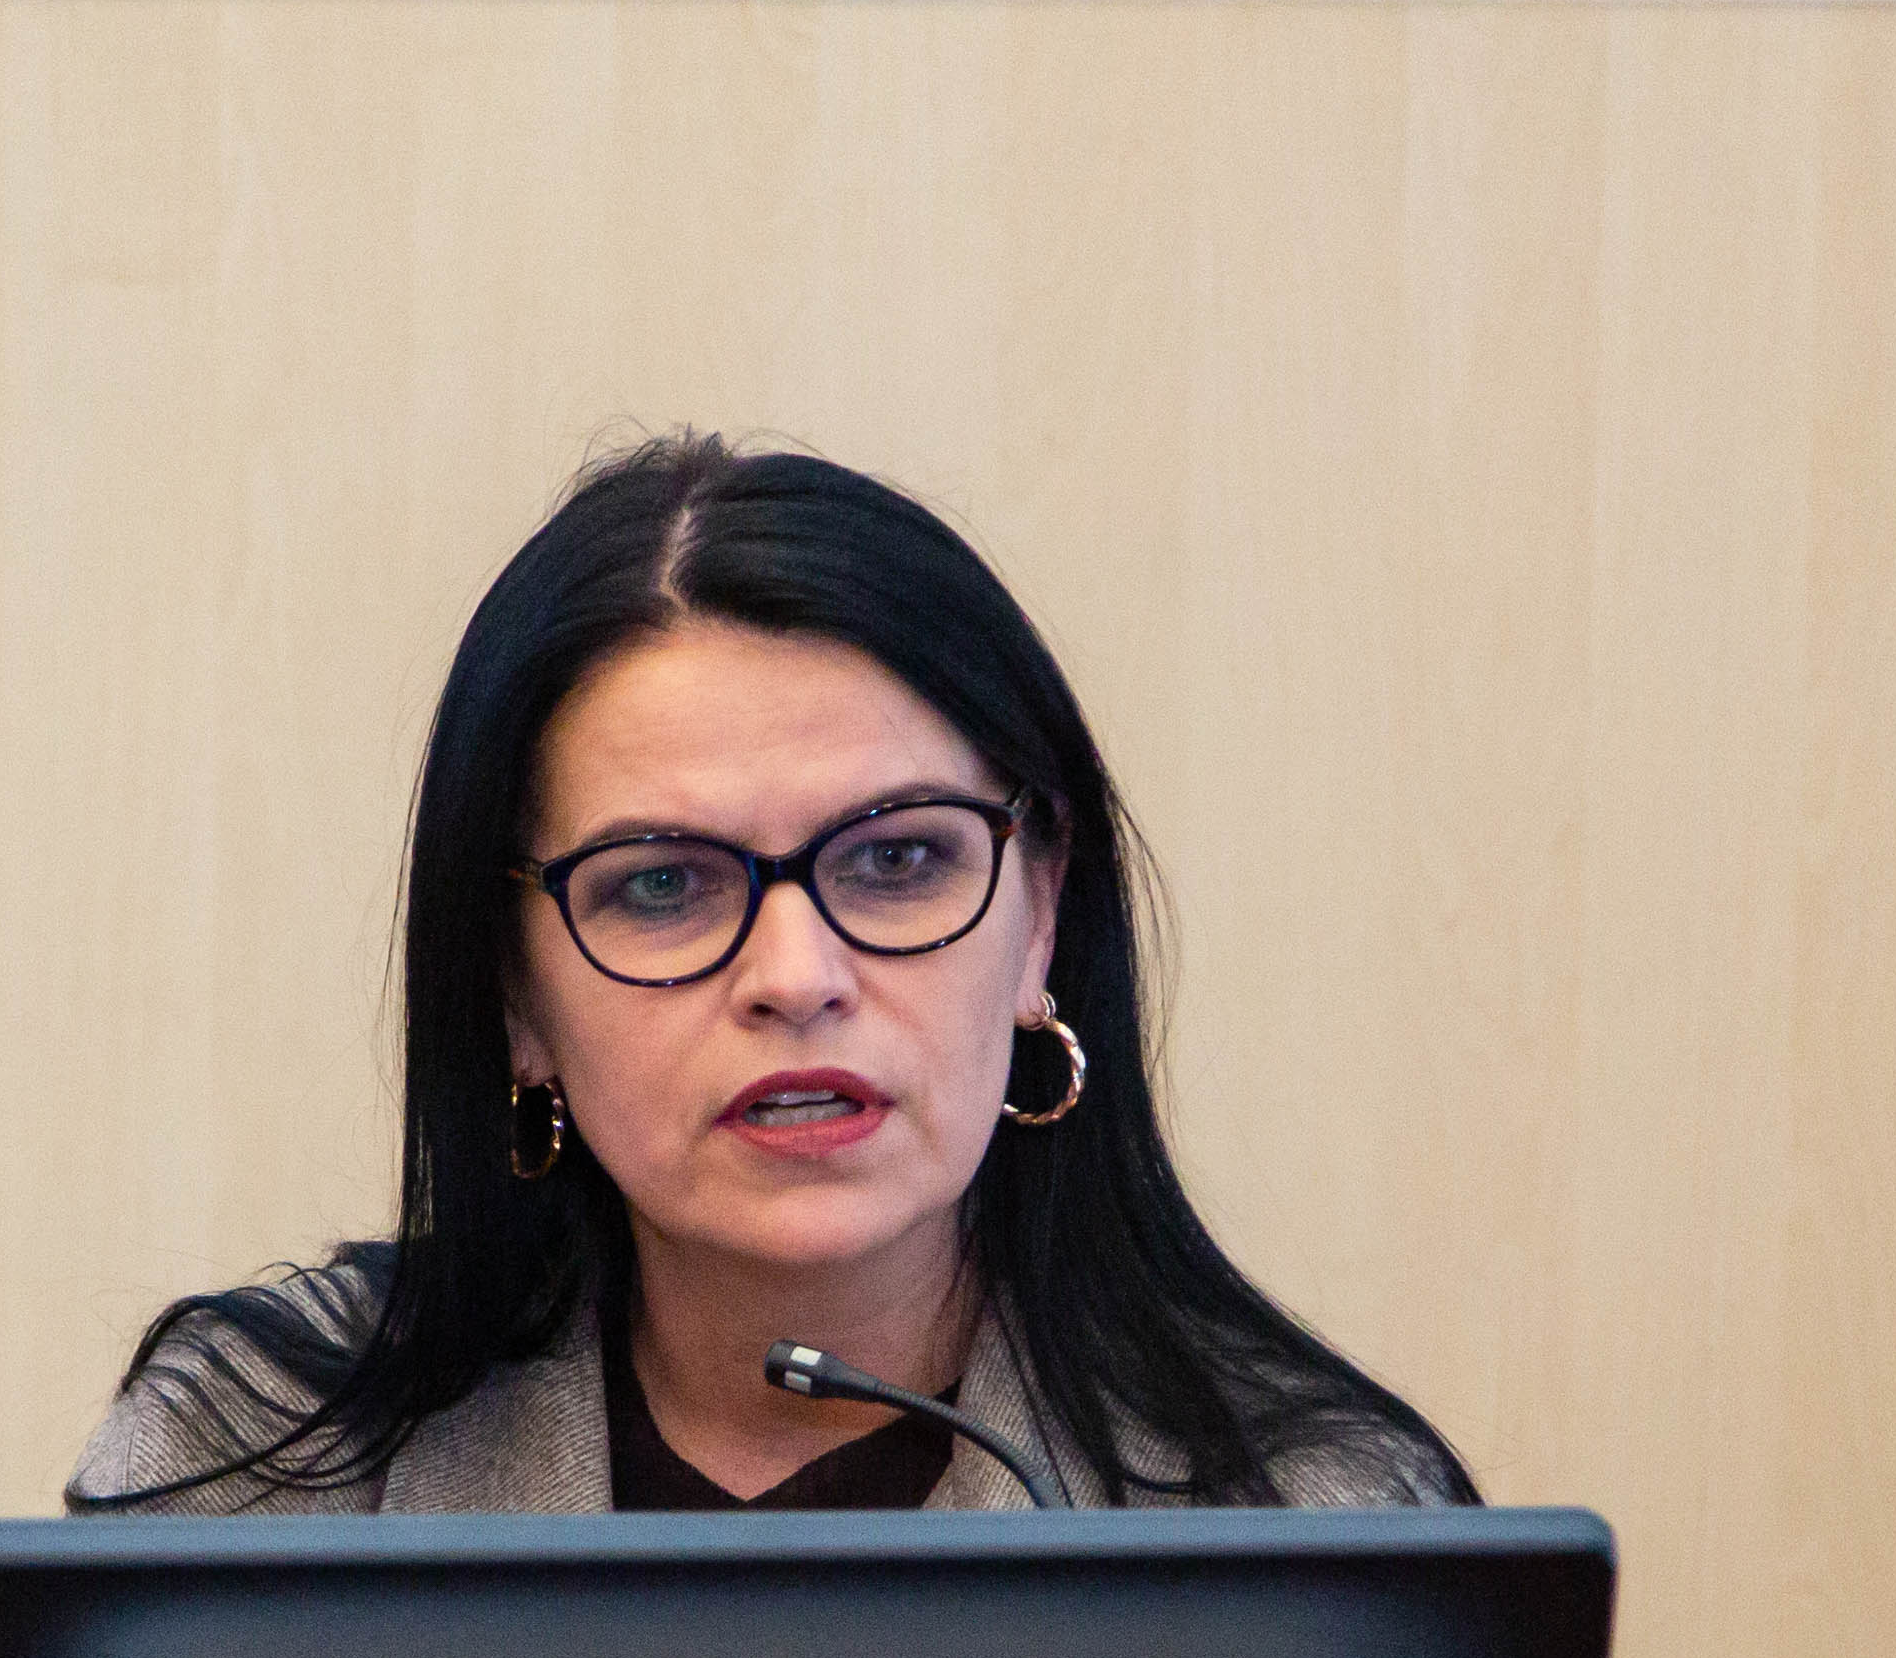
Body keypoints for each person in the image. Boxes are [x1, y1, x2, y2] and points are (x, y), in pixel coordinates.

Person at [73, 434, 1470, 1515]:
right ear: (514, 991)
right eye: (662, 886)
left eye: (898, 861)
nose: (797, 978)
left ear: (1040, 912)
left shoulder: (1315, 1521)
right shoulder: (248, 1468)